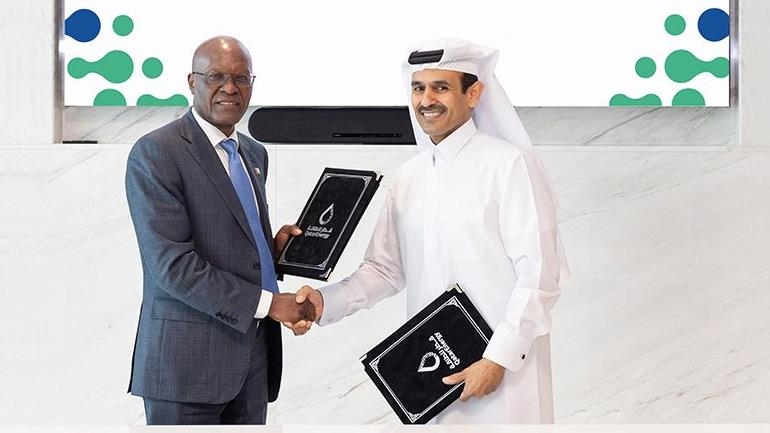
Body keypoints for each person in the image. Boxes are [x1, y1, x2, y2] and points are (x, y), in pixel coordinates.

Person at [289, 39, 568, 423]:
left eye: (441, 87)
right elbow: (384, 270)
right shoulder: (409, 177)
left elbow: (539, 276)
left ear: (474, 94)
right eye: (418, 88)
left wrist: (499, 358)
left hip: (504, 376)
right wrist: (323, 302)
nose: (426, 100)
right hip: (432, 372)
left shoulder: (509, 166)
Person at [125, 35, 313, 425]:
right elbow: (172, 266)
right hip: (186, 368)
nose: (230, 88)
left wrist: (271, 250)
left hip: (253, 361)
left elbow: (231, 241)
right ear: (192, 82)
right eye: (216, 77)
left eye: (241, 78)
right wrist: (270, 304)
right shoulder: (157, 152)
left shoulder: (253, 153)